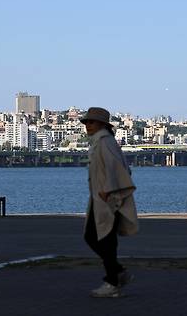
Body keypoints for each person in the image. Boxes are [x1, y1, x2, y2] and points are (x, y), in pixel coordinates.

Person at [81, 107, 138, 298]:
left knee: (101, 238)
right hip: (100, 199)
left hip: (107, 200)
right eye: (86, 122)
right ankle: (117, 274)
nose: (87, 125)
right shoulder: (101, 142)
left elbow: (116, 168)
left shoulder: (104, 142)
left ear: (102, 125)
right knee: (101, 238)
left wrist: (109, 190)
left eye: (91, 122)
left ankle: (113, 280)